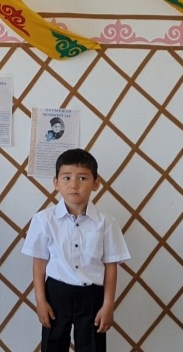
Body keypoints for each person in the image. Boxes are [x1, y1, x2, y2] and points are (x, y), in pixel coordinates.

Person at [22, 148, 130, 352]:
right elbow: (39, 264)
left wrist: (108, 305)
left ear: (96, 183)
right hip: (56, 293)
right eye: (66, 178)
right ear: (56, 183)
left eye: (82, 178)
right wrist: (40, 300)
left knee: (92, 347)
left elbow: (111, 266)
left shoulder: (107, 223)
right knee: (53, 345)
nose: (74, 185)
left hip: (92, 295)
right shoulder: (44, 220)